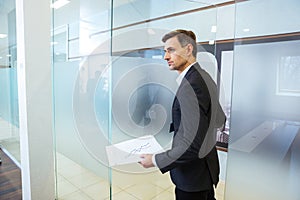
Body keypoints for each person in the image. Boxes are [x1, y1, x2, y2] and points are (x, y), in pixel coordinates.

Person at [139, 29, 226, 200]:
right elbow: (219, 119)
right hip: (205, 172)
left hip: (192, 177)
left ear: (188, 49)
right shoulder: (204, 77)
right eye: (165, 51)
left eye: (171, 50)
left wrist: (155, 160)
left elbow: (192, 145)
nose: (165, 56)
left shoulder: (191, 85)